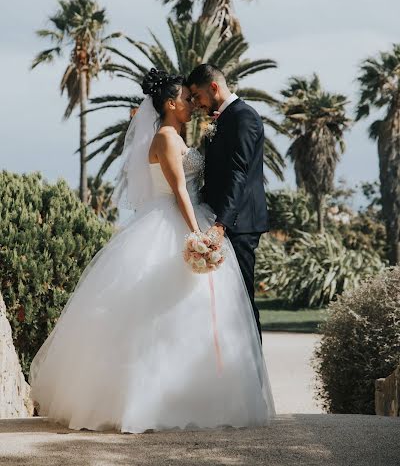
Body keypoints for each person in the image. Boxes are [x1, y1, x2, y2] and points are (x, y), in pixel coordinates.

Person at [29, 68, 275, 433]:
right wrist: (199, 234)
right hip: (178, 221)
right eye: (188, 99)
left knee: (199, 312)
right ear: (171, 103)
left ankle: (201, 395)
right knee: (162, 312)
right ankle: (148, 402)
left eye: (196, 97)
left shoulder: (191, 132)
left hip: (203, 218)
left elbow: (228, 174)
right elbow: (178, 192)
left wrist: (210, 226)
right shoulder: (165, 137)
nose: (194, 104)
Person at [187, 64, 268, 341]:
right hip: (220, 219)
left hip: (239, 223)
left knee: (242, 300)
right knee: (222, 301)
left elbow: (239, 173)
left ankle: (255, 373)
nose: (196, 104)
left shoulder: (244, 117)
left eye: (197, 96)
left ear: (213, 88)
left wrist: (221, 224)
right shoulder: (225, 117)